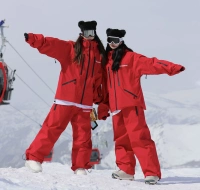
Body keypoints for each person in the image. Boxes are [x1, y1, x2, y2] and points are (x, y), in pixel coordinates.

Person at [98, 28, 185, 184]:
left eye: (115, 41)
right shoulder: (107, 62)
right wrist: (104, 106)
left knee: (140, 138)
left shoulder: (131, 58)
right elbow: (105, 87)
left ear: (121, 42)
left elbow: (152, 63)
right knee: (121, 140)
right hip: (116, 107)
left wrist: (171, 67)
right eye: (110, 40)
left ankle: (151, 172)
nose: (112, 44)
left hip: (132, 105)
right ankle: (126, 170)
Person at [24, 20, 105, 175]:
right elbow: (53, 45)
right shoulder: (71, 49)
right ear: (81, 34)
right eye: (86, 33)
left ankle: (80, 166)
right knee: (52, 128)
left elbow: (98, 80)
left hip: (85, 104)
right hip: (65, 98)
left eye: (92, 33)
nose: (89, 36)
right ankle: (33, 157)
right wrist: (35, 39)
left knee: (83, 136)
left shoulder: (98, 56)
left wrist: (98, 98)